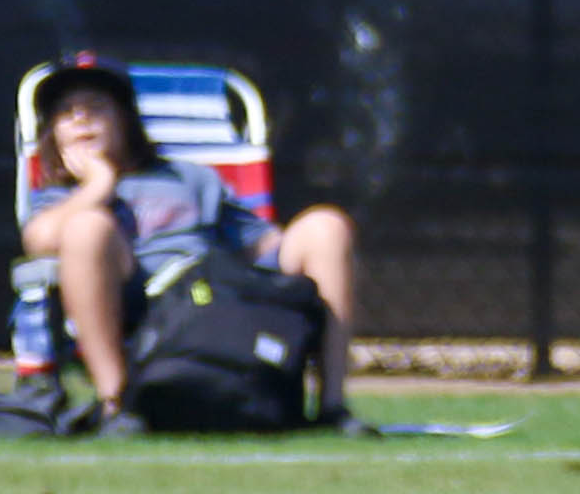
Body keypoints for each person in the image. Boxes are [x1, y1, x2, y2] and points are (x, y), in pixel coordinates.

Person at [18, 58, 362, 436]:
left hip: (212, 295)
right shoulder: (63, 199)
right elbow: (39, 240)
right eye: (67, 113)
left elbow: (264, 244)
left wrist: (312, 248)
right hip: (140, 300)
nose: (81, 118)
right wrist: (99, 183)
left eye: (96, 107)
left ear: (126, 121)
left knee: (326, 226)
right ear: (54, 136)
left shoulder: (189, 177)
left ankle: (332, 406)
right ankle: (115, 405)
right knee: (86, 228)